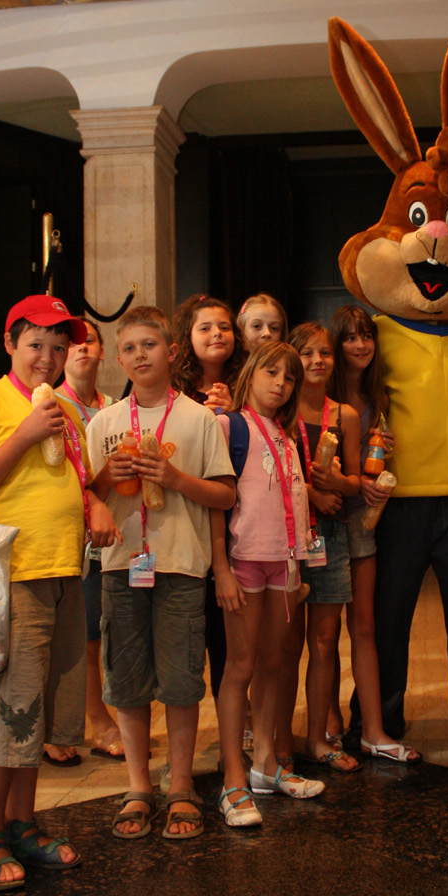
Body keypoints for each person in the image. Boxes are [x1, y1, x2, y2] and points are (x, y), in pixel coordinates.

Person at [0, 293, 118, 891]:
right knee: (10, 708)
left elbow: (77, 479)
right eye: (35, 344)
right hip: (11, 575)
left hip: (65, 572)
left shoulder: (65, 410)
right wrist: (21, 436)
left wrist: (97, 499)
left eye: (58, 346)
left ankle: (21, 825)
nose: (48, 357)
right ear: (9, 344)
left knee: (41, 711)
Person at [86, 306, 235, 841]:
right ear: (118, 359)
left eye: (149, 345)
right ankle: (137, 785)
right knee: (126, 679)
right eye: (129, 348)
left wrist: (174, 478)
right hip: (122, 565)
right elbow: (88, 496)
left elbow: (224, 494)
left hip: (181, 565)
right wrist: (107, 476)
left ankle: (180, 785)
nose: (139, 356)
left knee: (179, 680)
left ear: (172, 352)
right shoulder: (103, 423)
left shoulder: (198, 419)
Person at [212, 340, 321, 826]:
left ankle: (265, 764)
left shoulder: (287, 435)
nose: (281, 383)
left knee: (275, 663)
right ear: (251, 373)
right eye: (272, 372)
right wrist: (220, 568)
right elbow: (216, 503)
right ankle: (233, 780)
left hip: (286, 563)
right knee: (241, 665)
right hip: (244, 562)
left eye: (289, 377)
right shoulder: (228, 426)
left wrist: (298, 564)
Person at [328, 305, 421, 762]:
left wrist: (384, 456)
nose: (360, 344)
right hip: (326, 519)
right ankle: (327, 725)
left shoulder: (378, 394)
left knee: (364, 626)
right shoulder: (321, 393)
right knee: (323, 634)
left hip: (364, 521)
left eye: (366, 336)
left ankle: (374, 730)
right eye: (350, 337)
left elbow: (375, 460)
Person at [277, 322, 363, 773]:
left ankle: (318, 737)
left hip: (330, 536)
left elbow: (355, 482)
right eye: (307, 353)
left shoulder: (344, 415)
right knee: (288, 644)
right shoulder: (280, 412)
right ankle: (280, 740)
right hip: (287, 537)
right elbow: (273, 475)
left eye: (324, 353)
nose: (317, 361)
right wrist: (312, 492)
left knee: (326, 641)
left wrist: (337, 483)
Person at [52, 317, 124, 765]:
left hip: (113, 536)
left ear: (102, 352)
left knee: (102, 631)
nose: (81, 349)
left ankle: (92, 716)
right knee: (80, 637)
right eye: (71, 343)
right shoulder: (49, 403)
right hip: (69, 536)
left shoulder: (116, 408)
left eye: (89, 341)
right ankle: (94, 719)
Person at [172, 294, 245, 733]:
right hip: (186, 524)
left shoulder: (247, 382)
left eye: (224, 326)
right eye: (205, 327)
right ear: (187, 337)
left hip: (239, 523)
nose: (217, 334)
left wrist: (235, 411)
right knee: (186, 640)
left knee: (229, 638)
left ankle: (236, 728)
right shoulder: (172, 390)